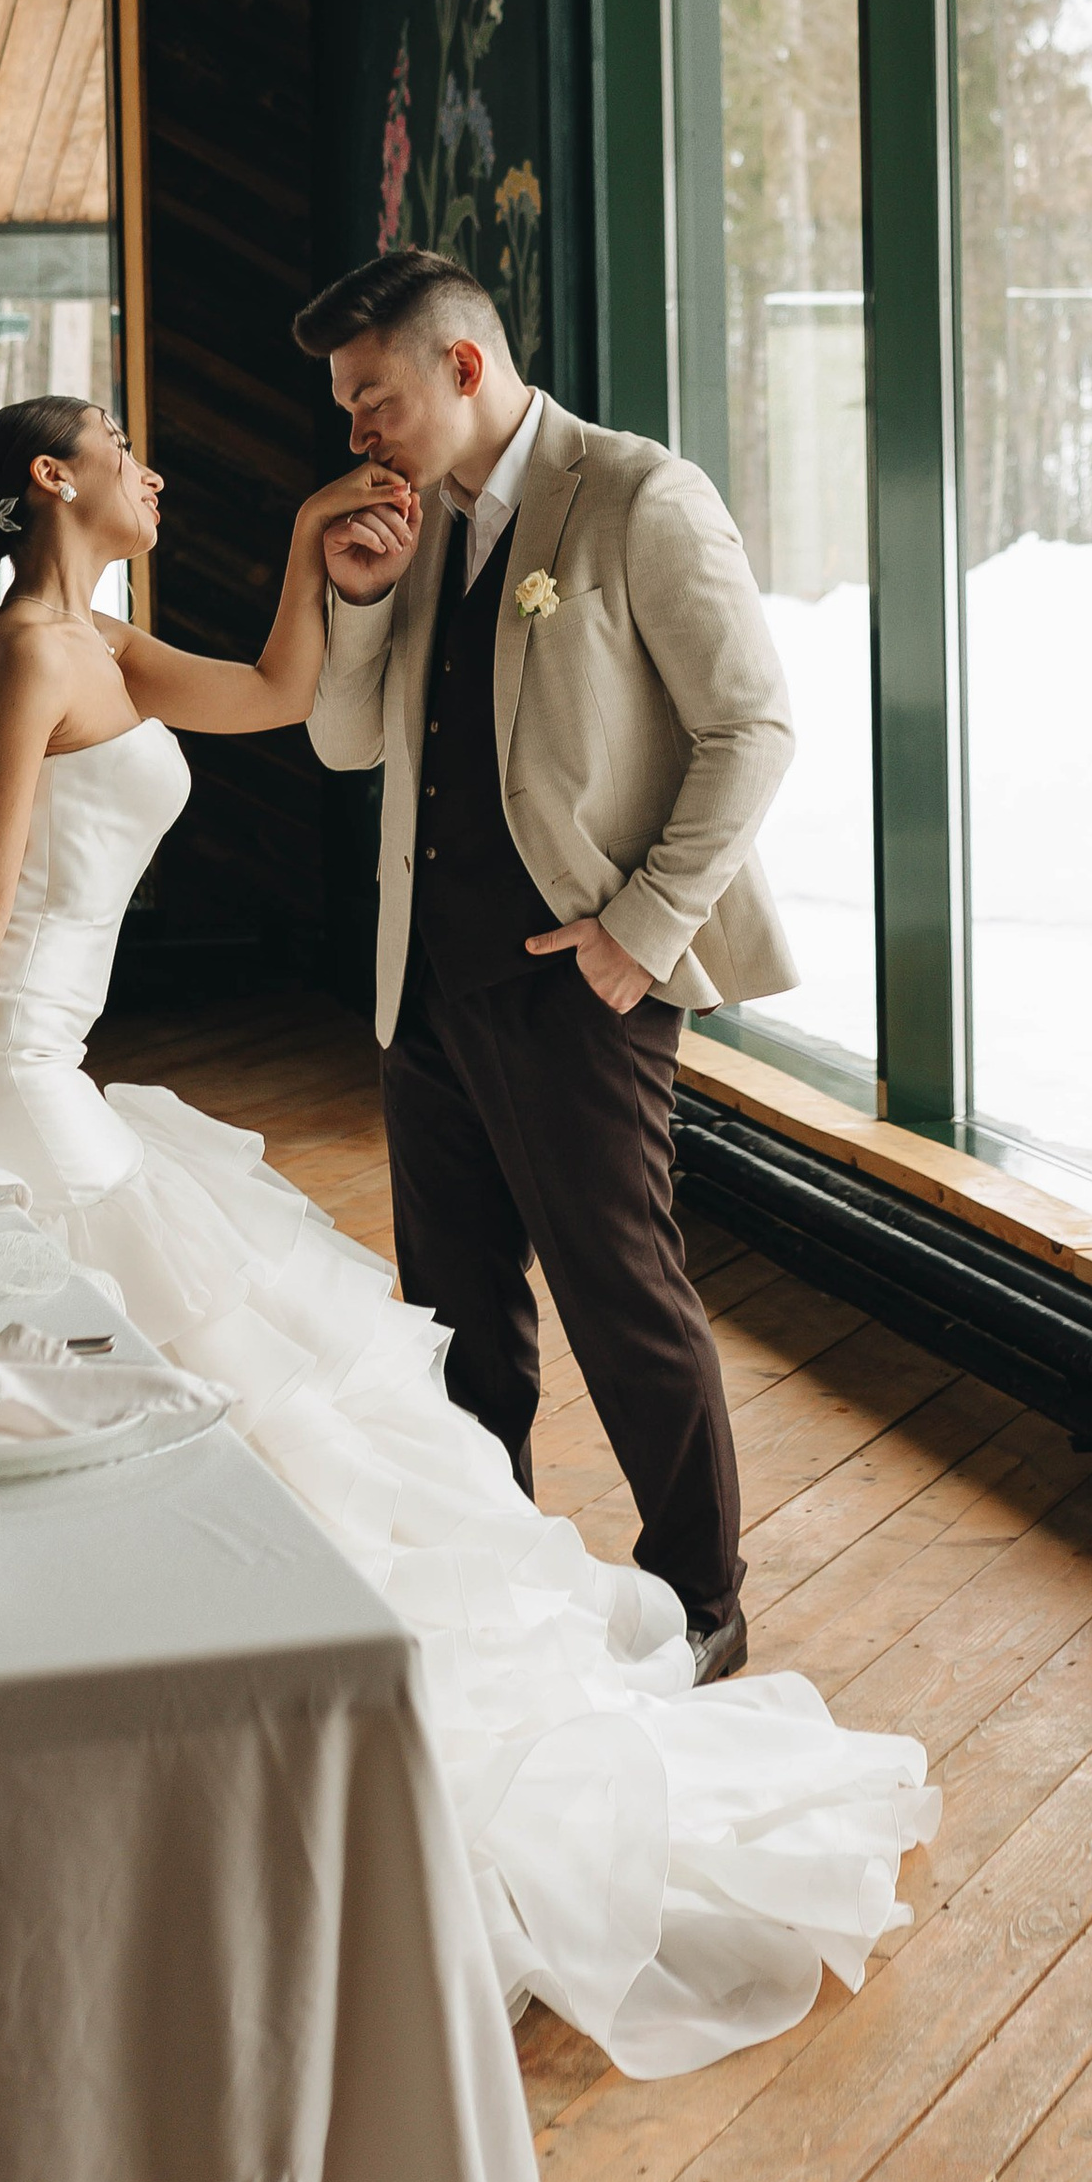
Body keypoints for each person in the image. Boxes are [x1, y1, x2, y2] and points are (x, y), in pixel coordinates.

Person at [0, 390, 935, 2078]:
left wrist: (306, 547)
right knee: (162, 1394)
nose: (157, 469)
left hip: (60, 1057)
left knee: (211, 1391)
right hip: (6, 1074)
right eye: (131, 452)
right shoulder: (23, 661)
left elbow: (289, 700)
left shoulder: (115, 649)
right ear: (56, 480)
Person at [294, 248, 797, 1690]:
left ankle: (704, 1596)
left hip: (585, 981)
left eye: (370, 398)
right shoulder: (419, 530)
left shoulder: (637, 496)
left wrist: (642, 932)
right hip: (427, 989)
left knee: (622, 1294)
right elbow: (345, 743)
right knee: (456, 1314)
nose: (357, 436)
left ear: (460, 366)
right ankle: (492, 1569)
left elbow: (753, 730)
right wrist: (361, 598)